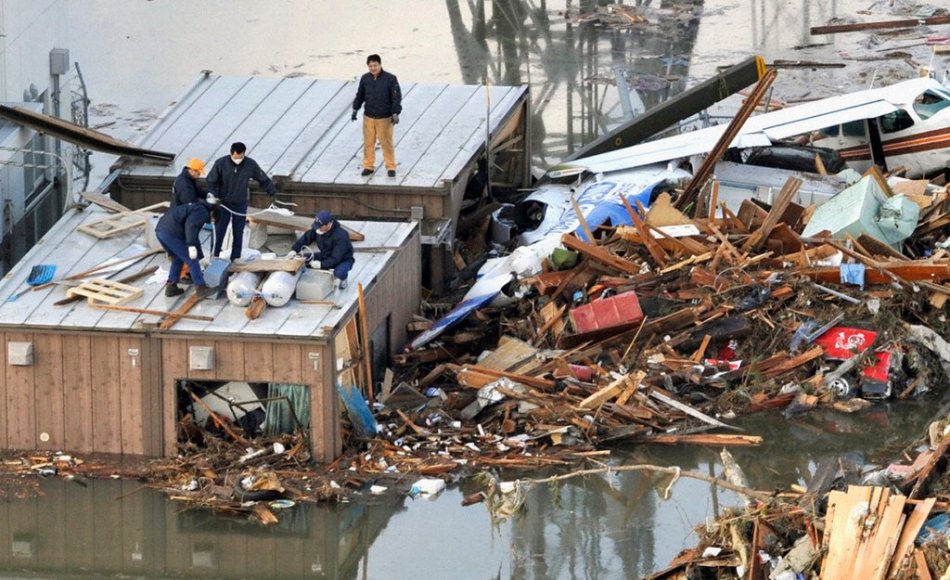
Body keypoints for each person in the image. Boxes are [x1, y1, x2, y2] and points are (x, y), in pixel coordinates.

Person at [206, 142, 276, 262]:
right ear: (231, 153)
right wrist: (213, 195)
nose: (238, 159)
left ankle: (236, 256)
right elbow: (211, 180)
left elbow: (262, 178)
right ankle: (215, 254)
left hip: (240, 203)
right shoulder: (221, 163)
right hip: (223, 203)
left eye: (241, 157)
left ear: (244, 154)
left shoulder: (250, 164)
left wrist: (271, 191)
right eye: (236, 157)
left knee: (238, 231)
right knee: (220, 230)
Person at [156, 194, 220, 299]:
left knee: (178, 258)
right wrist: (190, 246)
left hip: (161, 230)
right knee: (192, 259)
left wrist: (202, 257)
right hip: (171, 232)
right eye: (213, 220)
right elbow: (190, 227)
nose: (211, 222)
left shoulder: (196, 207)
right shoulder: (202, 211)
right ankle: (201, 288)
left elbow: (194, 237)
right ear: (213, 214)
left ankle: (171, 286)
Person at [352, 54, 402, 178]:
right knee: (368, 143)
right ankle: (368, 166)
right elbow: (360, 95)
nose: (373, 68)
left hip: (384, 118)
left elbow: (396, 97)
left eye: (375, 65)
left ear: (380, 65)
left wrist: (395, 112)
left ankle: (390, 166)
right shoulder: (365, 79)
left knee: (386, 143)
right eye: (370, 66)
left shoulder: (390, 79)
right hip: (369, 117)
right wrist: (355, 108)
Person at [290, 210, 355, 289]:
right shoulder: (318, 229)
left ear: (328, 224)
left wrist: (321, 264)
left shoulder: (341, 236)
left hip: (343, 259)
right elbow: (306, 238)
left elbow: (336, 257)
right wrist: (294, 250)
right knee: (300, 259)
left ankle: (344, 278)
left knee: (339, 272)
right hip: (325, 255)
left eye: (320, 227)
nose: (317, 229)